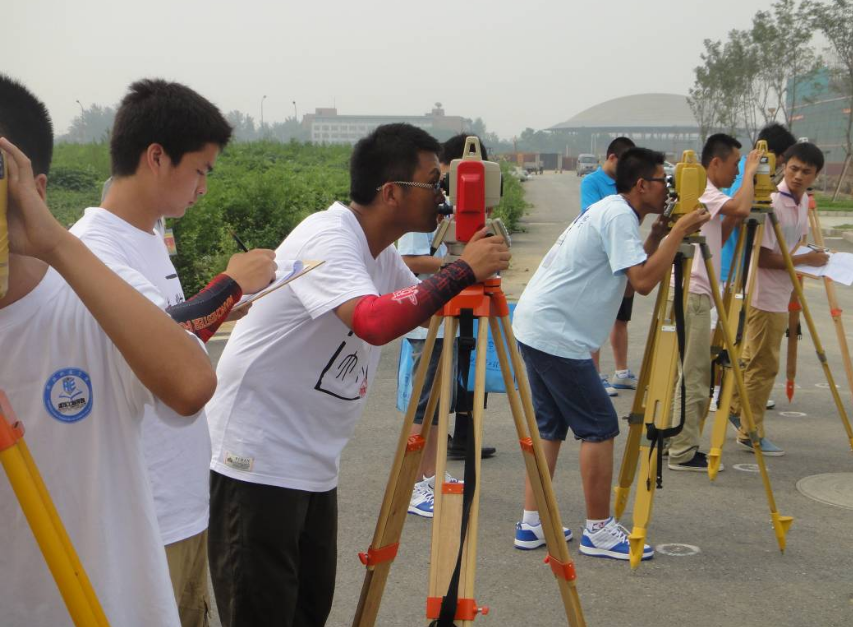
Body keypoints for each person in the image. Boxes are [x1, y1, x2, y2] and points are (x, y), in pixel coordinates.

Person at [206, 123, 510, 626]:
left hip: (311, 461)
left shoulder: (380, 252)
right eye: (435, 182)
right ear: (391, 192)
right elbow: (374, 321)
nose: (444, 195)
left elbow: (418, 306)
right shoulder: (328, 238)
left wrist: (467, 258)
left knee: (308, 613)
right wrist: (461, 271)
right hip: (256, 457)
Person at [0, 75, 216, 627]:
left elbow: (190, 385)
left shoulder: (87, 297)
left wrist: (51, 242)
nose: (203, 187)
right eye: (201, 171)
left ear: (31, 191)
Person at [68, 78, 277, 627]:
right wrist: (228, 285)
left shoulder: (148, 235)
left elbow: (157, 329)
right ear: (156, 156)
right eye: (201, 170)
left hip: (182, 503)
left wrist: (214, 313)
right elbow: (166, 352)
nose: (203, 187)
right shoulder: (93, 248)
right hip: (143, 516)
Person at [512, 148, 710, 558]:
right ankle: (598, 529)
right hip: (556, 333)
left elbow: (631, 265)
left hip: (538, 324)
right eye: (662, 180)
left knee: (550, 427)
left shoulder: (613, 210)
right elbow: (641, 281)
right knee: (600, 425)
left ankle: (533, 523)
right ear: (641, 185)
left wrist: (658, 234)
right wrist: (678, 232)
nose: (669, 188)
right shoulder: (619, 215)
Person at [401, 134, 498, 518]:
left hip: (450, 313)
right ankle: (417, 483)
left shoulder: (455, 211)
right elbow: (409, 258)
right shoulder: (426, 208)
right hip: (430, 317)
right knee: (427, 405)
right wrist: (461, 267)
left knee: (442, 403)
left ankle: (433, 474)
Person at [666, 134, 759, 472]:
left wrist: (743, 182)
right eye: (735, 164)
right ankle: (683, 450)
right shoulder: (704, 189)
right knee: (695, 373)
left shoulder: (706, 195)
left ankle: (669, 437)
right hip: (694, 293)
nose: (737, 172)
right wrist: (751, 173)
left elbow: (727, 225)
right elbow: (743, 208)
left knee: (681, 372)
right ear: (716, 162)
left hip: (690, 290)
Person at [728, 142, 828, 456]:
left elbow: (792, 247)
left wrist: (813, 258)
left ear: (815, 175)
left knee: (753, 360)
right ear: (784, 165)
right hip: (763, 295)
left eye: (806, 172)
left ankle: (734, 406)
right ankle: (750, 431)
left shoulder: (802, 202)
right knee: (763, 365)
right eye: (794, 168)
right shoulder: (772, 203)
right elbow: (762, 258)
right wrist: (804, 262)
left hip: (781, 293)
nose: (798, 176)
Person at [579, 136, 638, 396]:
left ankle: (622, 371)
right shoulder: (591, 182)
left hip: (623, 255)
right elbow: (589, 213)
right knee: (597, 318)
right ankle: (594, 375)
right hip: (601, 261)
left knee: (621, 317)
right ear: (612, 157)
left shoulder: (626, 183)